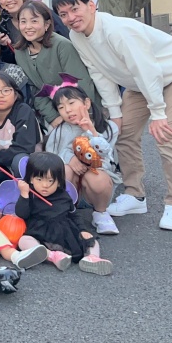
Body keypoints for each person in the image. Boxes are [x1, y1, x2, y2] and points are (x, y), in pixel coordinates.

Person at [52, 0, 172, 230]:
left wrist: (158, 113)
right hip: (138, 83)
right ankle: (135, 195)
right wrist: (116, 113)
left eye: (75, 9)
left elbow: (147, 69)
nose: (71, 17)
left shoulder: (116, 30)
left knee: (167, 135)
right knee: (123, 133)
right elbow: (99, 73)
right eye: (64, 14)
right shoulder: (76, 36)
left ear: (91, 6)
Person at [15, 152, 112, 274]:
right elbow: (22, 214)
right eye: (39, 179)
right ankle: (51, 256)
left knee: (92, 241)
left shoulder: (63, 196)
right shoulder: (30, 195)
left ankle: (92, 258)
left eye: (50, 180)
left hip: (66, 232)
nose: (45, 185)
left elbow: (74, 215)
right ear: (30, 179)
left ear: (59, 181)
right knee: (24, 240)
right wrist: (24, 195)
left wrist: (83, 230)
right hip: (41, 233)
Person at [45, 83, 121, 235]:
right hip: (71, 185)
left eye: (71, 103)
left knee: (98, 178)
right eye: (61, 107)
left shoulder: (109, 127)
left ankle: (100, 213)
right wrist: (70, 158)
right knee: (64, 169)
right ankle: (67, 212)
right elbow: (50, 158)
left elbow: (106, 158)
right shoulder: (57, 131)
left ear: (86, 103)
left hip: (95, 187)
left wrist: (91, 132)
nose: (68, 110)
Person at [13, 1, 99, 129]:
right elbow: (35, 90)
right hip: (54, 115)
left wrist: (81, 115)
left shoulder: (62, 46)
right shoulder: (20, 52)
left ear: (47, 24)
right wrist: (53, 117)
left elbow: (82, 83)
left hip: (84, 113)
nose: (28, 26)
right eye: (23, 22)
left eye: (34, 21)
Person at [0, 72, 42, 187]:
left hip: (32, 167)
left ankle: (29, 195)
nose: (0, 95)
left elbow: (24, 147)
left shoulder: (23, 111)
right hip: (2, 168)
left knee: (20, 161)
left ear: (16, 95)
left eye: (6, 90)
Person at [0, 0, 68, 64]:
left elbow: (66, 40)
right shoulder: (0, 25)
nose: (8, 0)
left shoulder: (43, 12)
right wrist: (4, 47)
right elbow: (10, 63)